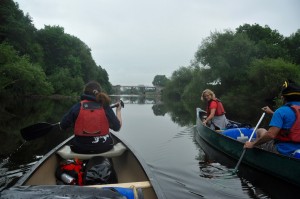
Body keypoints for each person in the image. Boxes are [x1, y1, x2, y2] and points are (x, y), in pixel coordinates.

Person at [60, 81, 122, 154]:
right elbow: (117, 127)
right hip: (104, 147)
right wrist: (118, 111)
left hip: (79, 148)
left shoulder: (77, 107)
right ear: (99, 93)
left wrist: (74, 123)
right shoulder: (105, 107)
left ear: (85, 92)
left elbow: (62, 126)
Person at [244, 79, 300, 156]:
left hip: (282, 150)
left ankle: (255, 153)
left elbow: (271, 135)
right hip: (297, 148)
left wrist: (253, 144)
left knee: (260, 131)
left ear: (283, 97)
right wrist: (272, 113)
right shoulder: (287, 111)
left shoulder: (281, 111)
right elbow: (293, 119)